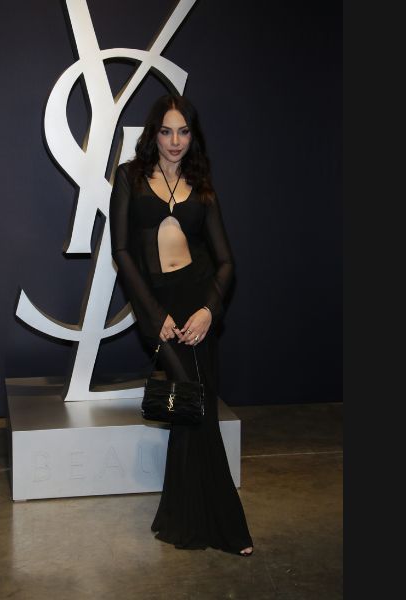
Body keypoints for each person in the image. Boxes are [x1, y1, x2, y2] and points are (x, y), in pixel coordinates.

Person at [109, 94, 254, 556]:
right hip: (158, 307)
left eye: (184, 132)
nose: (175, 141)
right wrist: (155, 316)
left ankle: (181, 517)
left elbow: (226, 262)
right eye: (167, 131)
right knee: (194, 403)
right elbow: (121, 252)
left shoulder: (202, 188)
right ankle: (226, 527)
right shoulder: (129, 178)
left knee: (194, 408)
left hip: (197, 307)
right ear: (154, 133)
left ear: (194, 136)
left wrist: (209, 311)